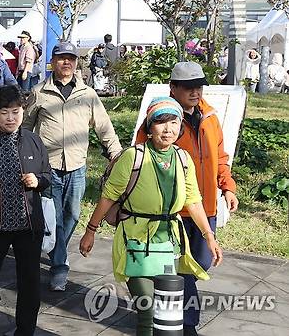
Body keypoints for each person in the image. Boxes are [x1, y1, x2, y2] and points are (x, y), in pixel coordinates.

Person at [81, 96, 224, 336]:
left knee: (167, 312)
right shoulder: (133, 156)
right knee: (147, 310)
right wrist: (90, 231)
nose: (168, 129)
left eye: (174, 123)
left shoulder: (183, 158)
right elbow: (108, 196)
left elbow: (193, 200)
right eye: (161, 122)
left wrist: (209, 236)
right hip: (135, 242)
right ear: (149, 127)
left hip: (169, 244)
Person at [134, 61, 238, 335]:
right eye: (189, 87)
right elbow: (139, 157)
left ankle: (171, 309)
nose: (195, 92)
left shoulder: (210, 117)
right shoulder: (159, 119)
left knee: (200, 263)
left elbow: (221, 157)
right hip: (174, 211)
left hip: (206, 208)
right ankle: (186, 323)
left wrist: (227, 186)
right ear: (173, 88)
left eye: (199, 86)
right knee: (182, 267)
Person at [23, 41, 122, 291]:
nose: (66, 62)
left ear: (76, 63)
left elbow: (104, 126)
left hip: (77, 165)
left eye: (71, 58)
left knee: (72, 215)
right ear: (53, 62)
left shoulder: (87, 94)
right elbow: (26, 128)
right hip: (49, 167)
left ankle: (57, 251)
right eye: (61, 58)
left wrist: (117, 155)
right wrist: (23, 158)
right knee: (54, 217)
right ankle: (59, 266)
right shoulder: (39, 92)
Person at [0, 85, 51, 336]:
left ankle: (25, 329)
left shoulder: (33, 141)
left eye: (15, 112)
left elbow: (47, 176)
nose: (10, 118)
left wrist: (37, 181)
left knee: (29, 282)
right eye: (4, 112)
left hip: (28, 224)